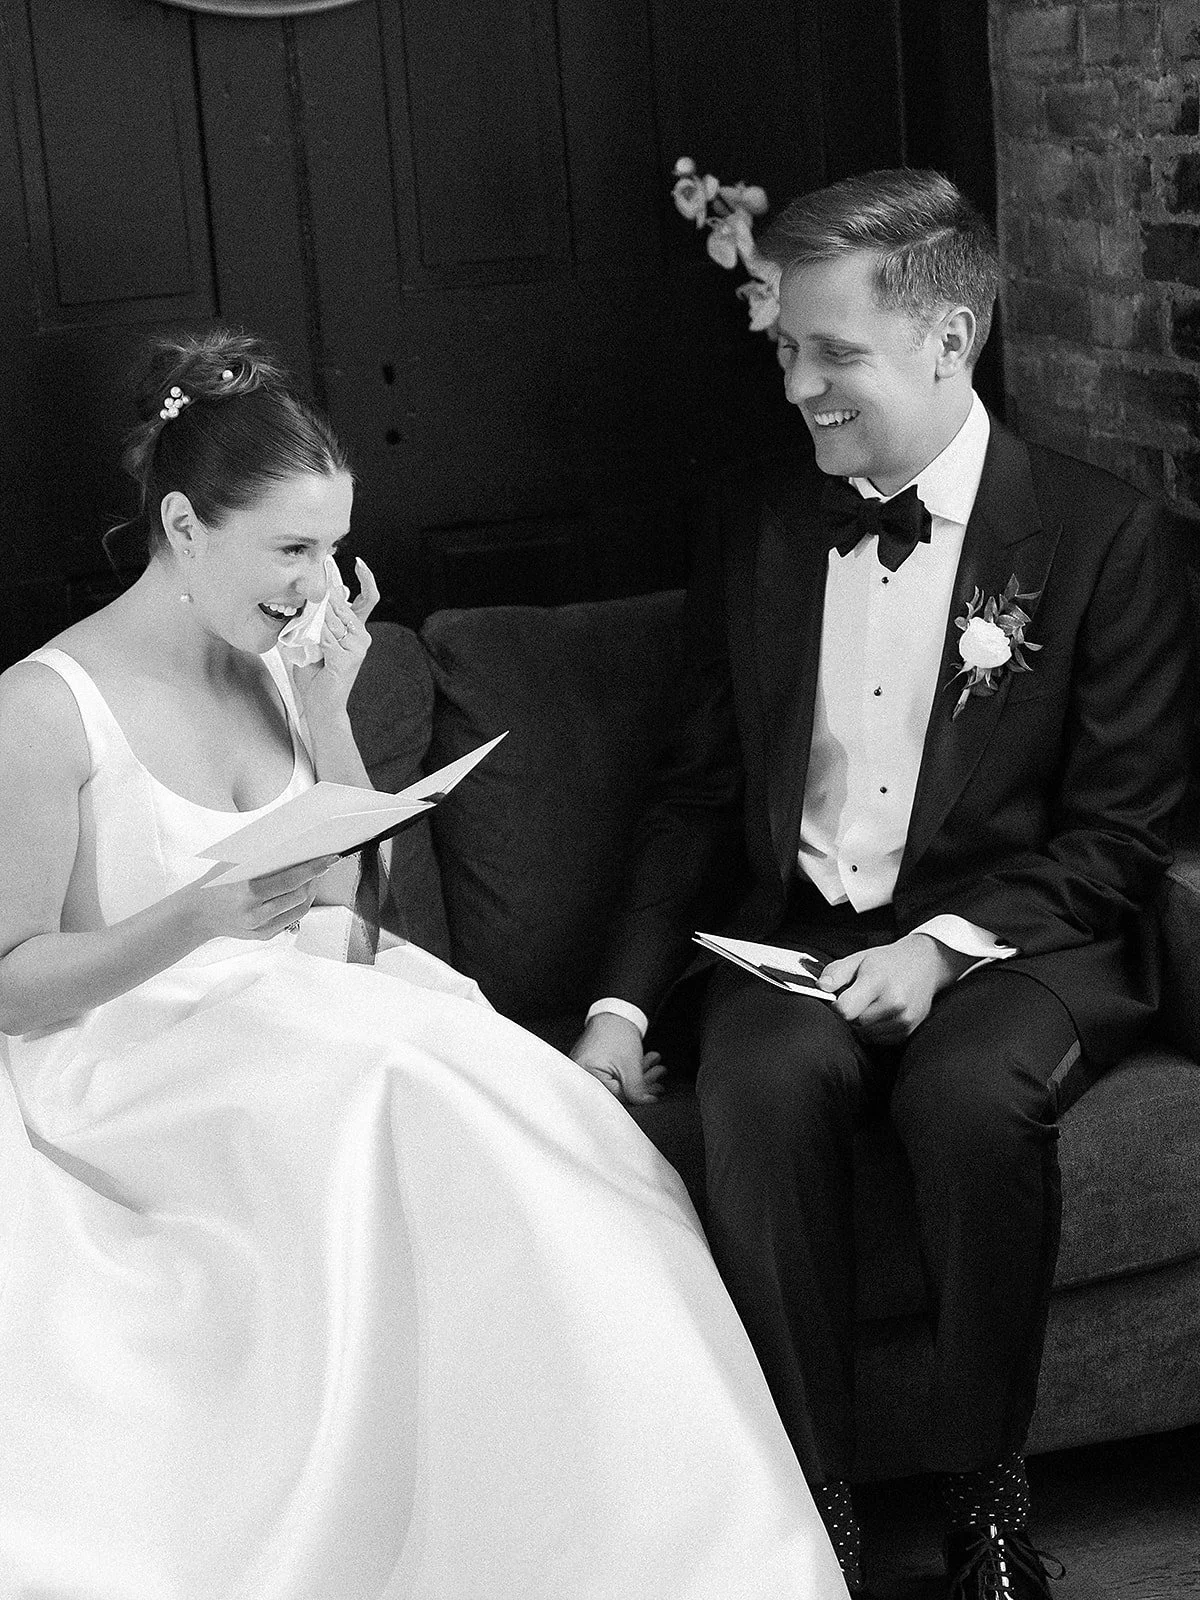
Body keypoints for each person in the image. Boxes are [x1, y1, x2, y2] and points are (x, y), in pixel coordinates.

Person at [0, 330, 849, 1598]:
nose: (322, 585)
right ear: (182, 524)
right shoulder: (42, 706)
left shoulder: (280, 668)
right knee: (402, 1095)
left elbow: (341, 903)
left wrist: (327, 712)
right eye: (291, 550)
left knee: (550, 1124)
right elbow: (12, 981)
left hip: (301, 1001)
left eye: (334, 547)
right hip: (126, 1055)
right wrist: (197, 918)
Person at [572, 168, 1194, 1600]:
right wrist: (617, 1005)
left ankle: (989, 1501)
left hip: (1021, 945)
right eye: (788, 347)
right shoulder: (758, 521)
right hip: (794, 938)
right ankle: (815, 1510)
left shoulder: (1105, 537)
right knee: (758, 1087)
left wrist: (945, 948)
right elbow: (695, 792)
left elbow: (1119, 834)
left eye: (833, 352)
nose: (798, 386)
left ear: (948, 339)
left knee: (972, 1100)